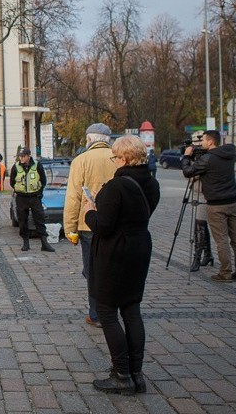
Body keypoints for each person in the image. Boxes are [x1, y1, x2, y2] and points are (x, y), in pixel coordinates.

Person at [83, 135, 160, 395]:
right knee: (131, 308)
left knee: (106, 310)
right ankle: (136, 373)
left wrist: (90, 209)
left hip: (116, 252)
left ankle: (122, 374)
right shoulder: (151, 183)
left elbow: (103, 226)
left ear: (124, 158)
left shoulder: (117, 187)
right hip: (140, 248)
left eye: (115, 157)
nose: (114, 161)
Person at [64, 122, 117, 328]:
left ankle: (96, 314)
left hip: (88, 226)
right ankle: (112, 310)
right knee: (112, 267)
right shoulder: (117, 158)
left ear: (89, 139)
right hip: (114, 223)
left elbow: (73, 197)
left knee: (92, 270)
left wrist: (70, 228)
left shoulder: (81, 160)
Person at [181, 130, 236, 282]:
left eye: (204, 141)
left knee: (221, 241)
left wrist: (187, 157)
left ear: (211, 142)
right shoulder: (229, 153)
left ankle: (225, 273)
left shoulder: (208, 159)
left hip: (216, 205)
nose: (202, 143)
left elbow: (188, 172)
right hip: (233, 202)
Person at [10, 149, 55, 252]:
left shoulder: (37, 165)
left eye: (23, 156)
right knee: (22, 221)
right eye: (20, 156)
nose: (21, 158)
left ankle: (44, 243)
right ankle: (26, 243)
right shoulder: (16, 167)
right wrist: (20, 190)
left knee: (39, 219)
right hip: (21, 198)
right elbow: (12, 182)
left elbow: (43, 180)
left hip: (35, 197)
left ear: (29, 156)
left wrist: (38, 192)